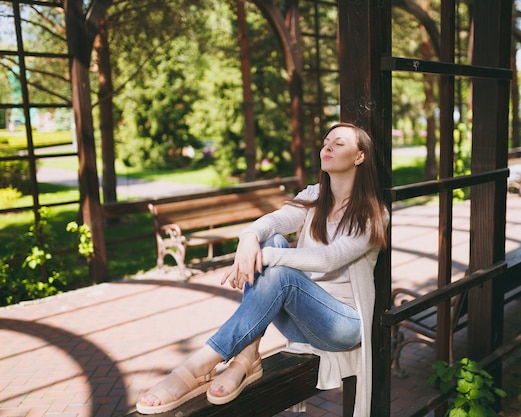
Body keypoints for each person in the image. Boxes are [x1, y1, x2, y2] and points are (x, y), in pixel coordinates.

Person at [135, 122, 389, 416]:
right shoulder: (314, 196)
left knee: (278, 267)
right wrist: (249, 238)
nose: (327, 147)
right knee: (270, 239)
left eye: (339, 143)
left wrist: (265, 257)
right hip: (301, 320)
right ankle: (246, 358)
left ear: (360, 156)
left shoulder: (373, 213)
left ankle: (199, 365)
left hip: (341, 326)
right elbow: (276, 221)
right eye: (325, 141)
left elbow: (330, 259)